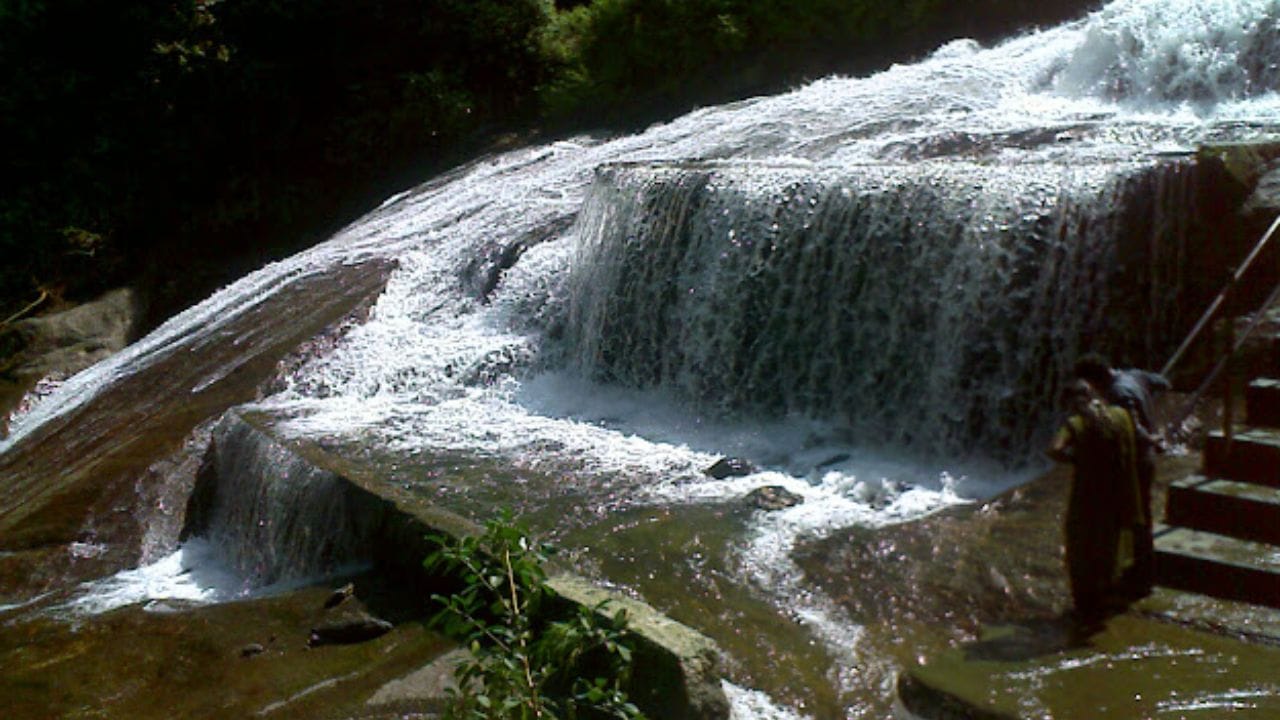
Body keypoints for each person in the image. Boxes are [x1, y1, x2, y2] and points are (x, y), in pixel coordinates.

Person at [1046, 380, 1147, 621]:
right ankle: (1109, 593)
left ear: (1071, 404)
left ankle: (1086, 603)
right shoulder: (1121, 416)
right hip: (1120, 492)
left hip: (1088, 496)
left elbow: (1054, 450)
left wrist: (1077, 459)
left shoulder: (1076, 424)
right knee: (1110, 543)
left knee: (1082, 545)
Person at [1072, 353, 1169, 597]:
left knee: (1135, 516)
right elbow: (1163, 383)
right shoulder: (1134, 375)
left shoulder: (1118, 394)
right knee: (1140, 514)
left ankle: (1142, 575)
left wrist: (1152, 438)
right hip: (1146, 458)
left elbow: (1134, 428)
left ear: (1093, 380)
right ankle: (1140, 570)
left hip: (1136, 460)